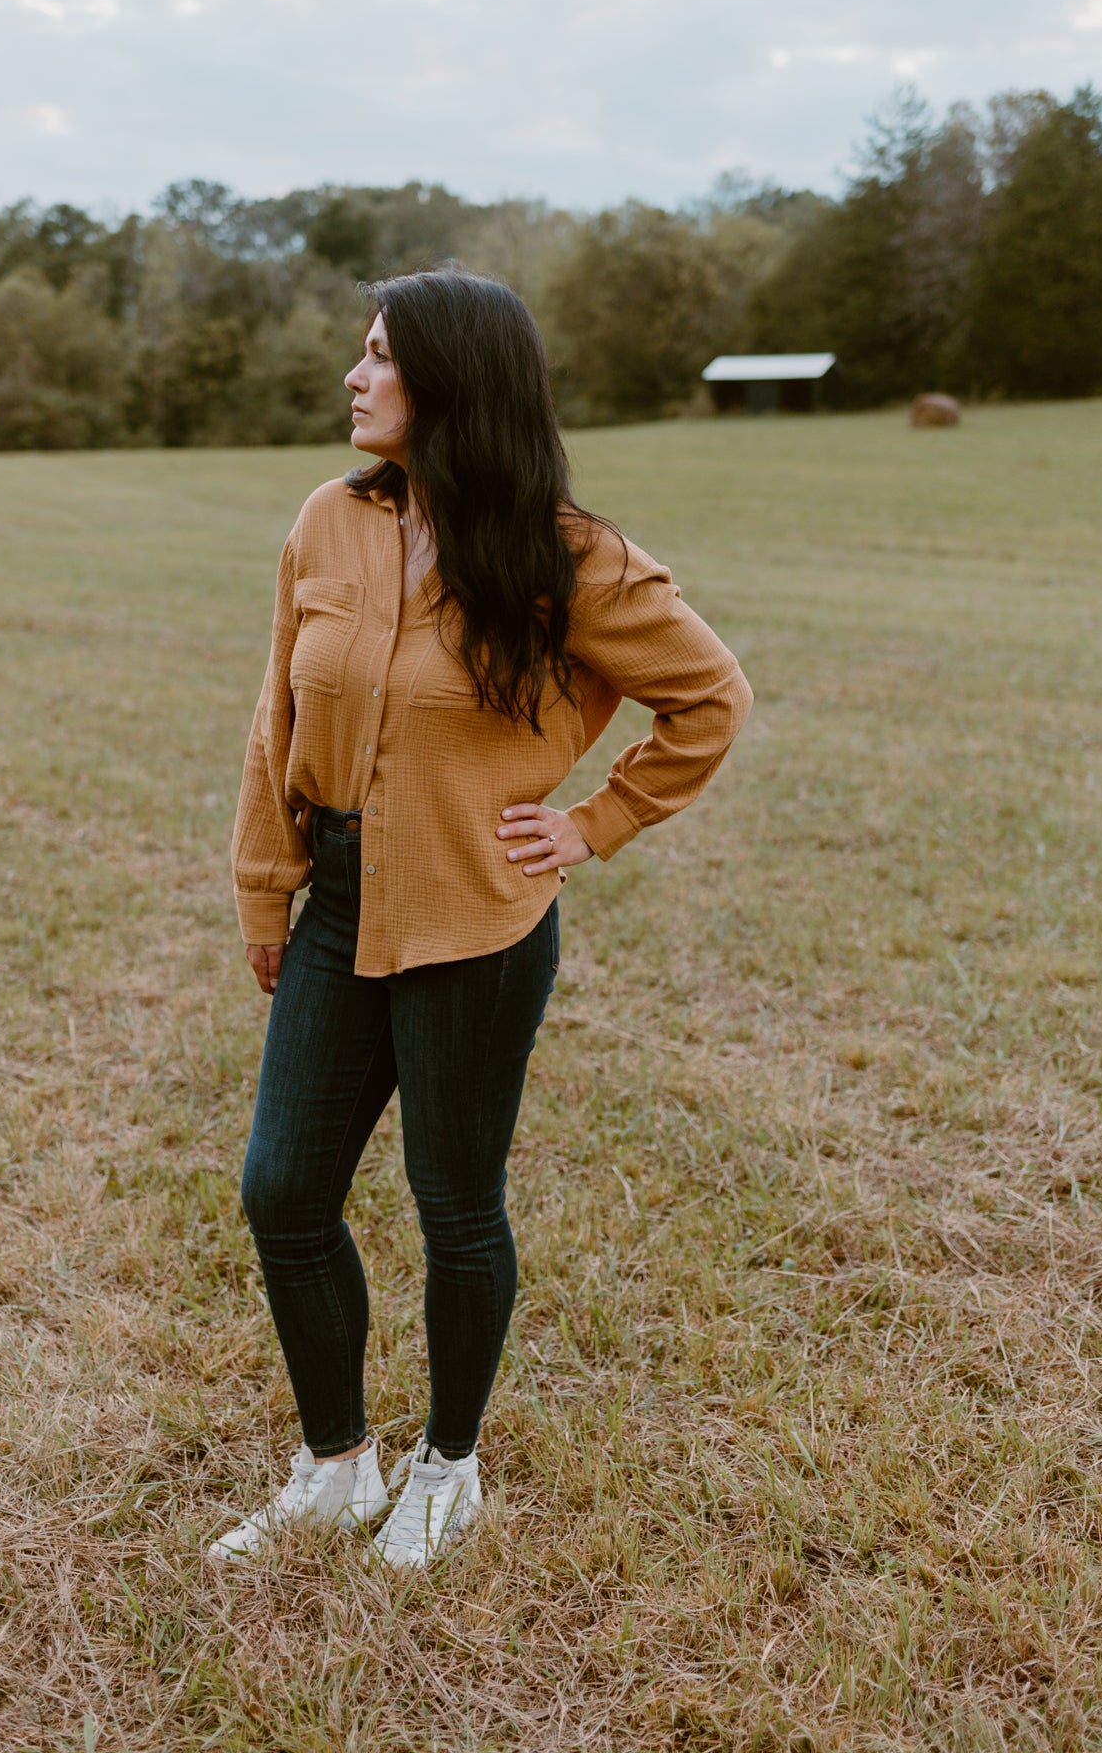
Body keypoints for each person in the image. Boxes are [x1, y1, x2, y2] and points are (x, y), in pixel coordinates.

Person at [211, 268, 751, 1570]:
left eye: (381, 356)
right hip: (337, 905)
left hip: (479, 922)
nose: (355, 377)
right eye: (361, 353)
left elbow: (711, 700)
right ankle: (338, 1467)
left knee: (455, 1205)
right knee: (282, 1190)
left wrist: (590, 822)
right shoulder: (325, 524)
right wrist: (264, 882)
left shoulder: (572, 558)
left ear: (451, 382)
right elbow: (274, 719)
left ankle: (447, 1471)